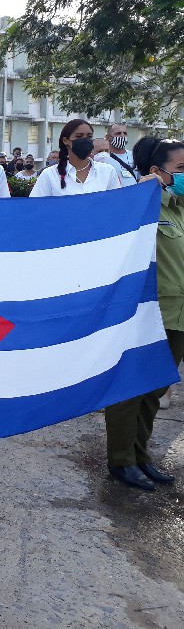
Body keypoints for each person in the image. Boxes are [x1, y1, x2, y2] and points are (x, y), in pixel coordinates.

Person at [104, 136, 183, 490]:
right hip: (148, 310)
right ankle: (121, 460)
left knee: (155, 388)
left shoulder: (181, 208)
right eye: (181, 169)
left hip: (179, 313)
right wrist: (140, 193)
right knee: (130, 388)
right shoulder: (143, 205)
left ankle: (140, 454)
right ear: (157, 171)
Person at [30, 120, 120, 197]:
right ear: (66, 141)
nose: (85, 140)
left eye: (89, 136)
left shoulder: (108, 171)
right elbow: (35, 207)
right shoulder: (50, 175)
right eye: (79, 136)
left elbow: (116, 205)